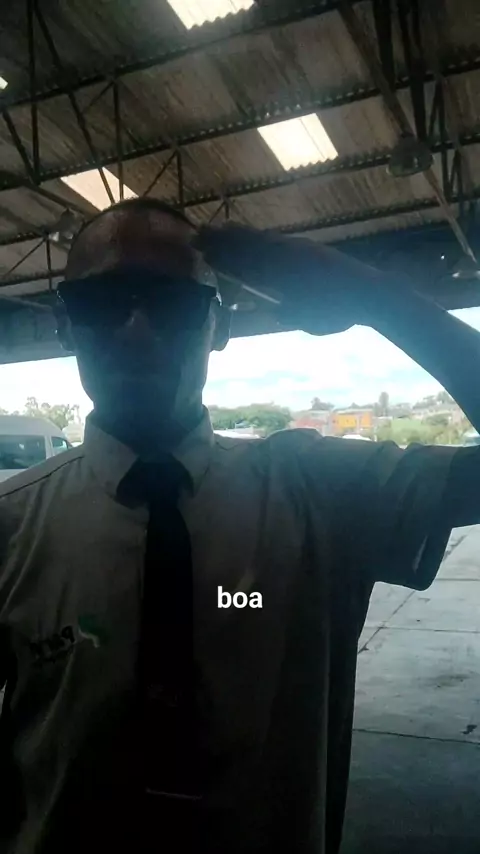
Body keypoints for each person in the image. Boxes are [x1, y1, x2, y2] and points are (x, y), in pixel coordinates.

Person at [1, 196, 480, 854]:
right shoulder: (12, 525)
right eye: (103, 302)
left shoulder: (319, 491)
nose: (136, 331)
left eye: (171, 303)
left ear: (219, 325)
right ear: (64, 324)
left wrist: (374, 298)